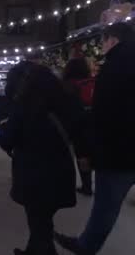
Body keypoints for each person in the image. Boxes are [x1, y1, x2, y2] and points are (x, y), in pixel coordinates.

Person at [55, 22, 135, 255]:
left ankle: (86, 246)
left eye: (103, 42)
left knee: (106, 206)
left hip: (119, 149)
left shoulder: (114, 67)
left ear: (112, 39)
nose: (101, 47)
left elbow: (103, 115)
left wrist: (89, 151)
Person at [0, 62, 84, 255]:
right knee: (42, 220)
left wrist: (4, 126)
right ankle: (33, 250)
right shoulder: (68, 99)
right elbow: (80, 130)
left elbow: (6, 140)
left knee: (38, 222)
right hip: (60, 169)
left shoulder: (24, 106)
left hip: (33, 173)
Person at [62, 57, 95, 196]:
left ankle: (87, 186)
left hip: (78, 126)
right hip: (94, 122)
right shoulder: (93, 82)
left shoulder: (68, 85)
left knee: (82, 156)